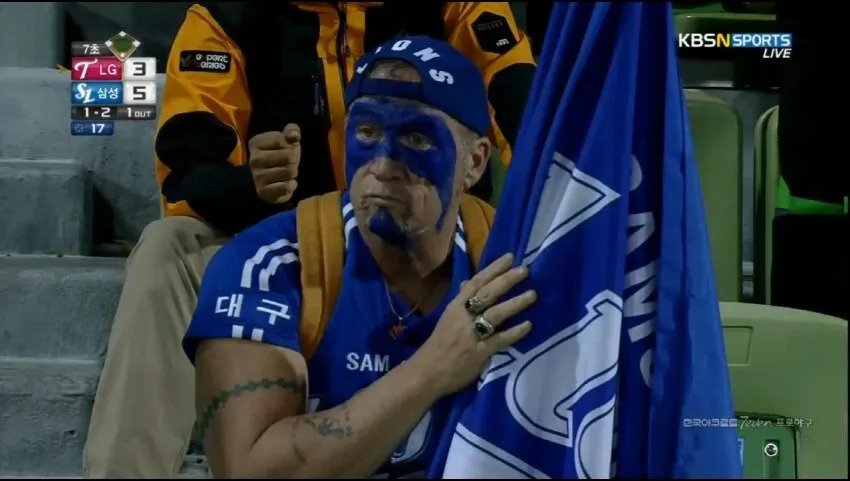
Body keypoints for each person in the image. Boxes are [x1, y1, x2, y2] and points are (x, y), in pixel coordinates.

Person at [83, 3, 536, 478]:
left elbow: (529, 109)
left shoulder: (460, 6)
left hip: (432, 245)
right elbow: (185, 173)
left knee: (550, 251)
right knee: (168, 247)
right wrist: (250, 185)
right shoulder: (225, 15)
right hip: (286, 250)